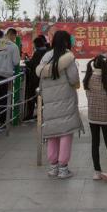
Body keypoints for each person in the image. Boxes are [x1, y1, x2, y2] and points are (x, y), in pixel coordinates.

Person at [37, 30, 82, 179]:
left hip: (49, 101)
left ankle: (53, 167)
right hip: (66, 100)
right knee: (65, 133)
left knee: (52, 133)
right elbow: (74, 77)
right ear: (66, 42)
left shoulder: (46, 57)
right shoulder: (68, 57)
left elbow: (42, 79)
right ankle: (63, 168)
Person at [84, 55, 107, 182]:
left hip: (92, 116)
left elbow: (88, 95)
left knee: (95, 143)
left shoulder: (88, 78)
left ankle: (96, 171)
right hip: (106, 117)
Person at [23, 35, 49, 122]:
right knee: (42, 98)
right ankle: (41, 114)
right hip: (44, 78)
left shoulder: (38, 52)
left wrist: (26, 62)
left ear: (36, 44)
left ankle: (31, 114)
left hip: (35, 79)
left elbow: (33, 64)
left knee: (32, 96)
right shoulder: (47, 51)